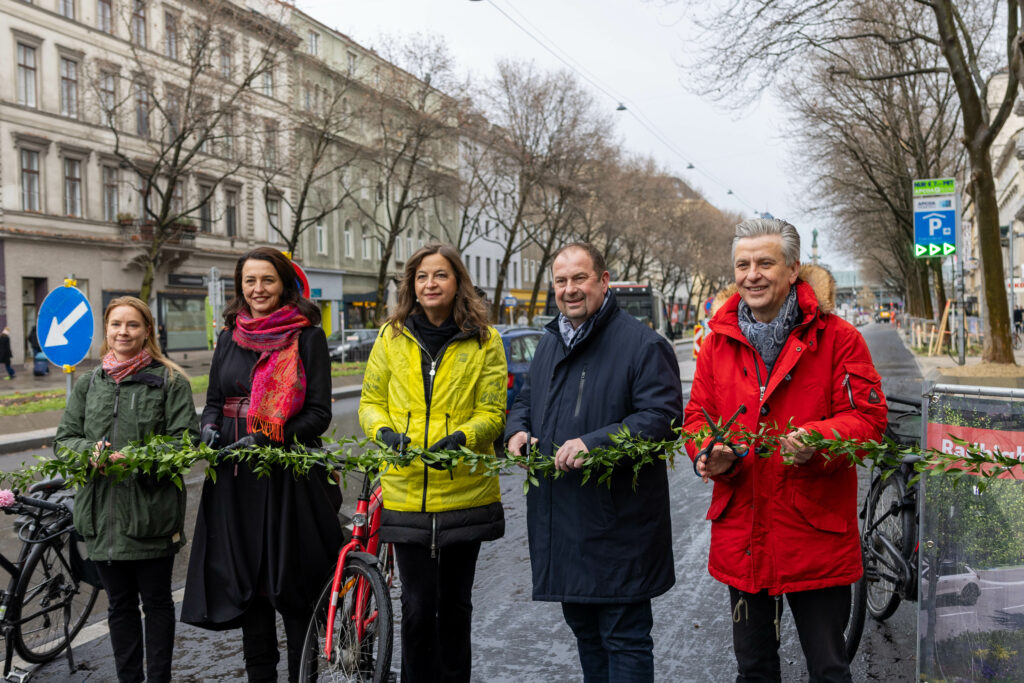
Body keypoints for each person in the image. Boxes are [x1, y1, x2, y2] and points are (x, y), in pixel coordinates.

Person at [685, 218, 887, 682]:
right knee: (754, 668)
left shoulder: (839, 339)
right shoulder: (716, 345)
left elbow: (869, 422)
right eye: (743, 264)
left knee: (829, 669)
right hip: (744, 530)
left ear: (793, 269)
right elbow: (697, 417)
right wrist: (709, 451)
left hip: (813, 531)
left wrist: (818, 441)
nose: (751, 274)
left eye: (764, 262)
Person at [505, 242, 682, 682]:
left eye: (580, 278)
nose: (570, 290)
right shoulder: (549, 343)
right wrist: (517, 431)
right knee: (585, 632)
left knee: (624, 638)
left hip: (619, 525)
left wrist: (593, 444)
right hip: (562, 524)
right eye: (561, 281)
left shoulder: (643, 344)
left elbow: (661, 420)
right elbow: (526, 401)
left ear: (604, 281)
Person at [181, 247, 342, 682]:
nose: (257, 289)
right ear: (240, 286)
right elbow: (213, 401)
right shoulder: (229, 333)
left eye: (267, 280)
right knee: (248, 589)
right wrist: (209, 429)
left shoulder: (306, 335)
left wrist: (269, 436)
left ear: (284, 283)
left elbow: (318, 415)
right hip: (234, 476)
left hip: (285, 474)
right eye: (249, 281)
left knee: (289, 586)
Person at [359, 243, 506, 682]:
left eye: (440, 275)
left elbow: (493, 412)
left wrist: (463, 438)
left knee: (455, 605)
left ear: (457, 281)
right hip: (406, 492)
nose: (430, 284)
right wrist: (382, 431)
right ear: (412, 285)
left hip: (465, 489)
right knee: (419, 606)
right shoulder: (391, 335)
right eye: (422, 277)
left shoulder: (485, 340)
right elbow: (371, 401)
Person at [55, 296, 198, 683]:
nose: (123, 332)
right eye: (116, 324)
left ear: (147, 331)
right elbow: (65, 439)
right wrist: (90, 452)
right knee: (119, 606)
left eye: (132, 325)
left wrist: (135, 459)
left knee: (156, 603)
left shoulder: (170, 381)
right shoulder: (89, 383)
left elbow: (186, 442)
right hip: (102, 516)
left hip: (151, 514)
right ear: (107, 330)